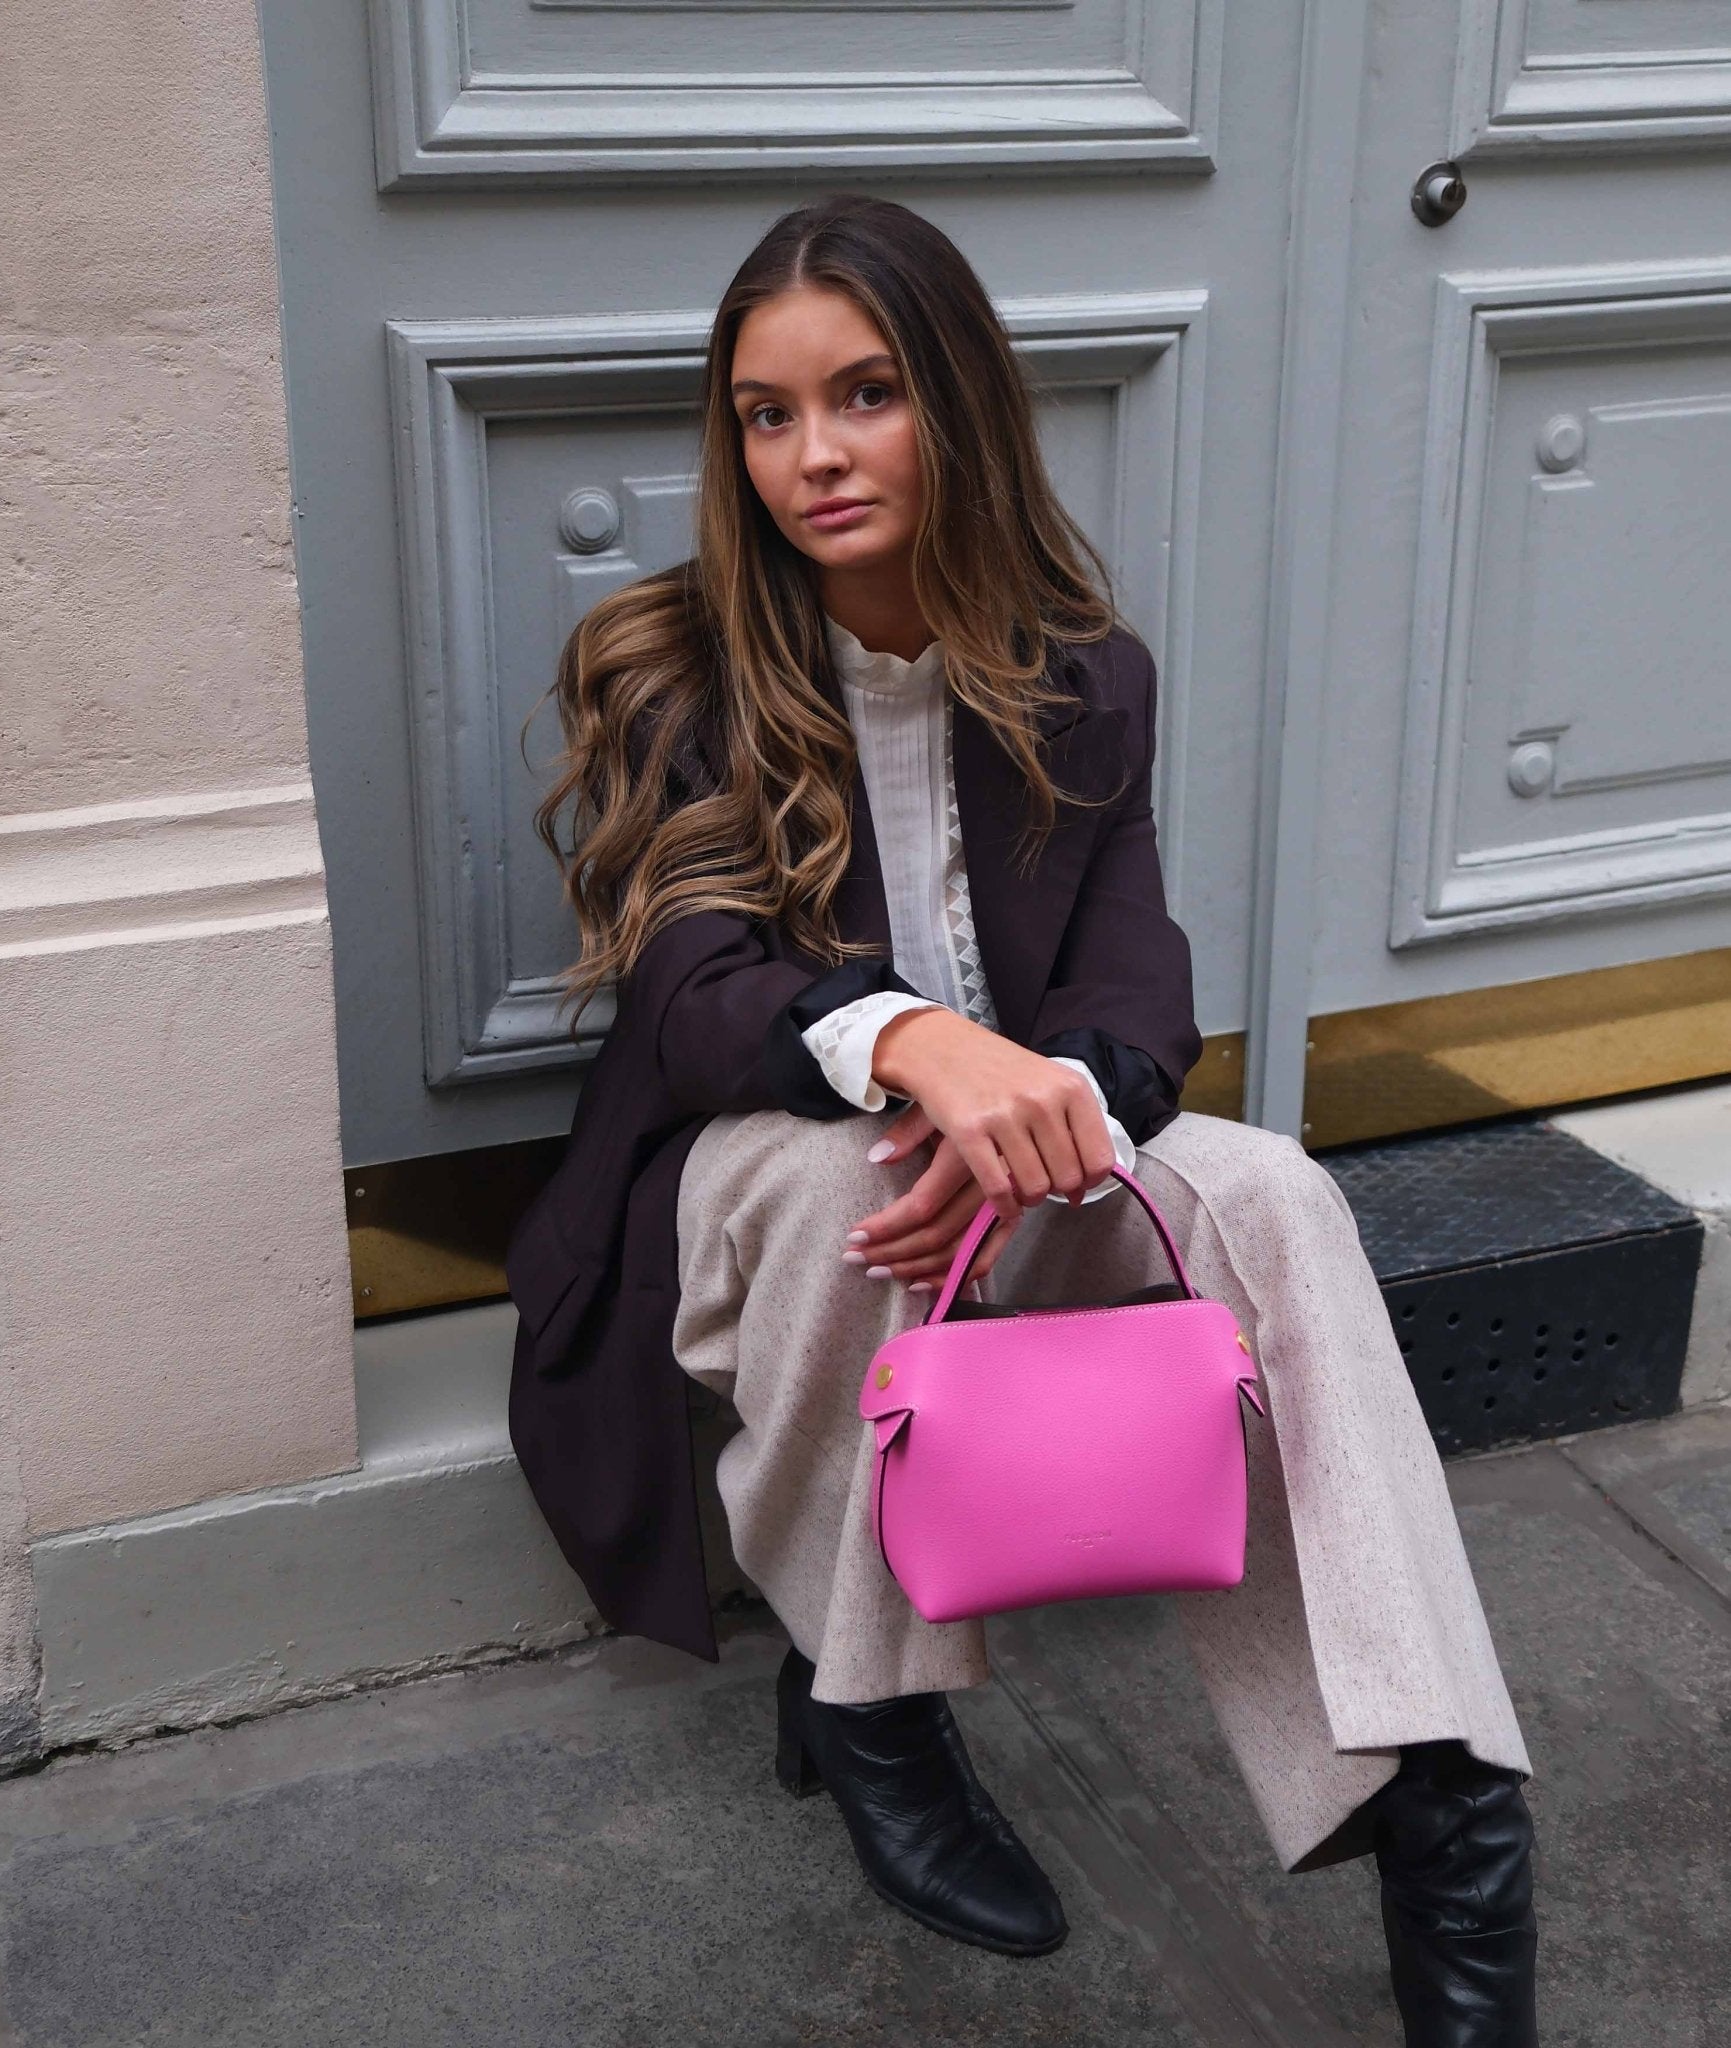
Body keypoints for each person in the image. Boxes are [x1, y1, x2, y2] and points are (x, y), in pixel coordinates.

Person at [507, 192, 1539, 2044]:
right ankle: (871, 1704)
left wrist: (1050, 1107)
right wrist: (922, 1049)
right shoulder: (674, 666)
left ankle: (1440, 1797)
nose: (814, 456)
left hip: (1017, 1151)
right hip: (746, 1165)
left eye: (866, 394)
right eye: (766, 415)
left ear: (959, 402)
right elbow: (690, 990)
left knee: (1275, 1194)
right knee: (856, 1186)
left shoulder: (1083, 671)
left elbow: (1140, 986)